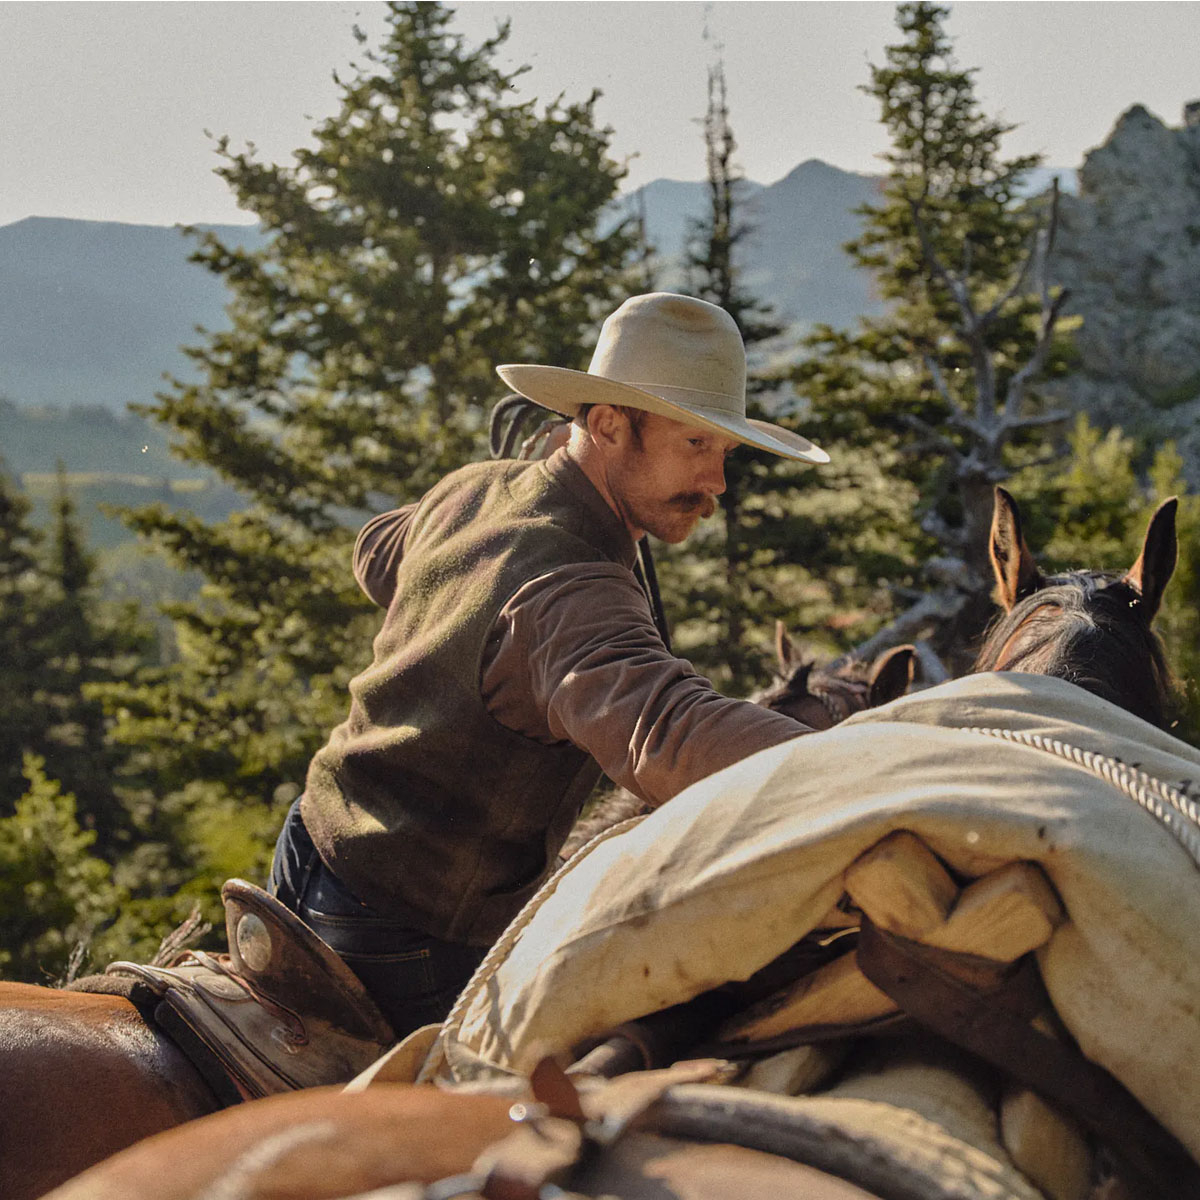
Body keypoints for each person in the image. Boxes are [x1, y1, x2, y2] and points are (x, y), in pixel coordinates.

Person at [269, 291, 831, 1038]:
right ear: (605, 425)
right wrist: (876, 762)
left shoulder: (475, 491)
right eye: (696, 444)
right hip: (408, 937)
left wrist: (457, 601)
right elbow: (667, 731)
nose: (717, 483)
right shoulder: (574, 585)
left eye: (723, 452)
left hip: (308, 850)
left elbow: (378, 551)